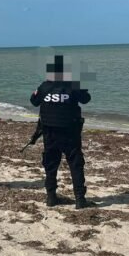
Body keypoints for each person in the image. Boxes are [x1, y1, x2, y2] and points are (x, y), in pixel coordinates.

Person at [30, 55, 92, 209]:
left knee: (51, 164)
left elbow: (33, 100)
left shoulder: (44, 86)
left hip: (50, 132)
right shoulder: (73, 85)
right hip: (69, 132)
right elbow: (86, 99)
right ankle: (79, 199)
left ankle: (51, 197)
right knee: (75, 164)